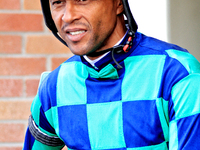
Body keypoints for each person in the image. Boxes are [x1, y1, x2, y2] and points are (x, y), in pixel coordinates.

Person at [23, 0, 200, 149]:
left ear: (118, 3)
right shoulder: (53, 86)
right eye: (58, 2)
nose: (68, 16)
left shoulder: (178, 74)